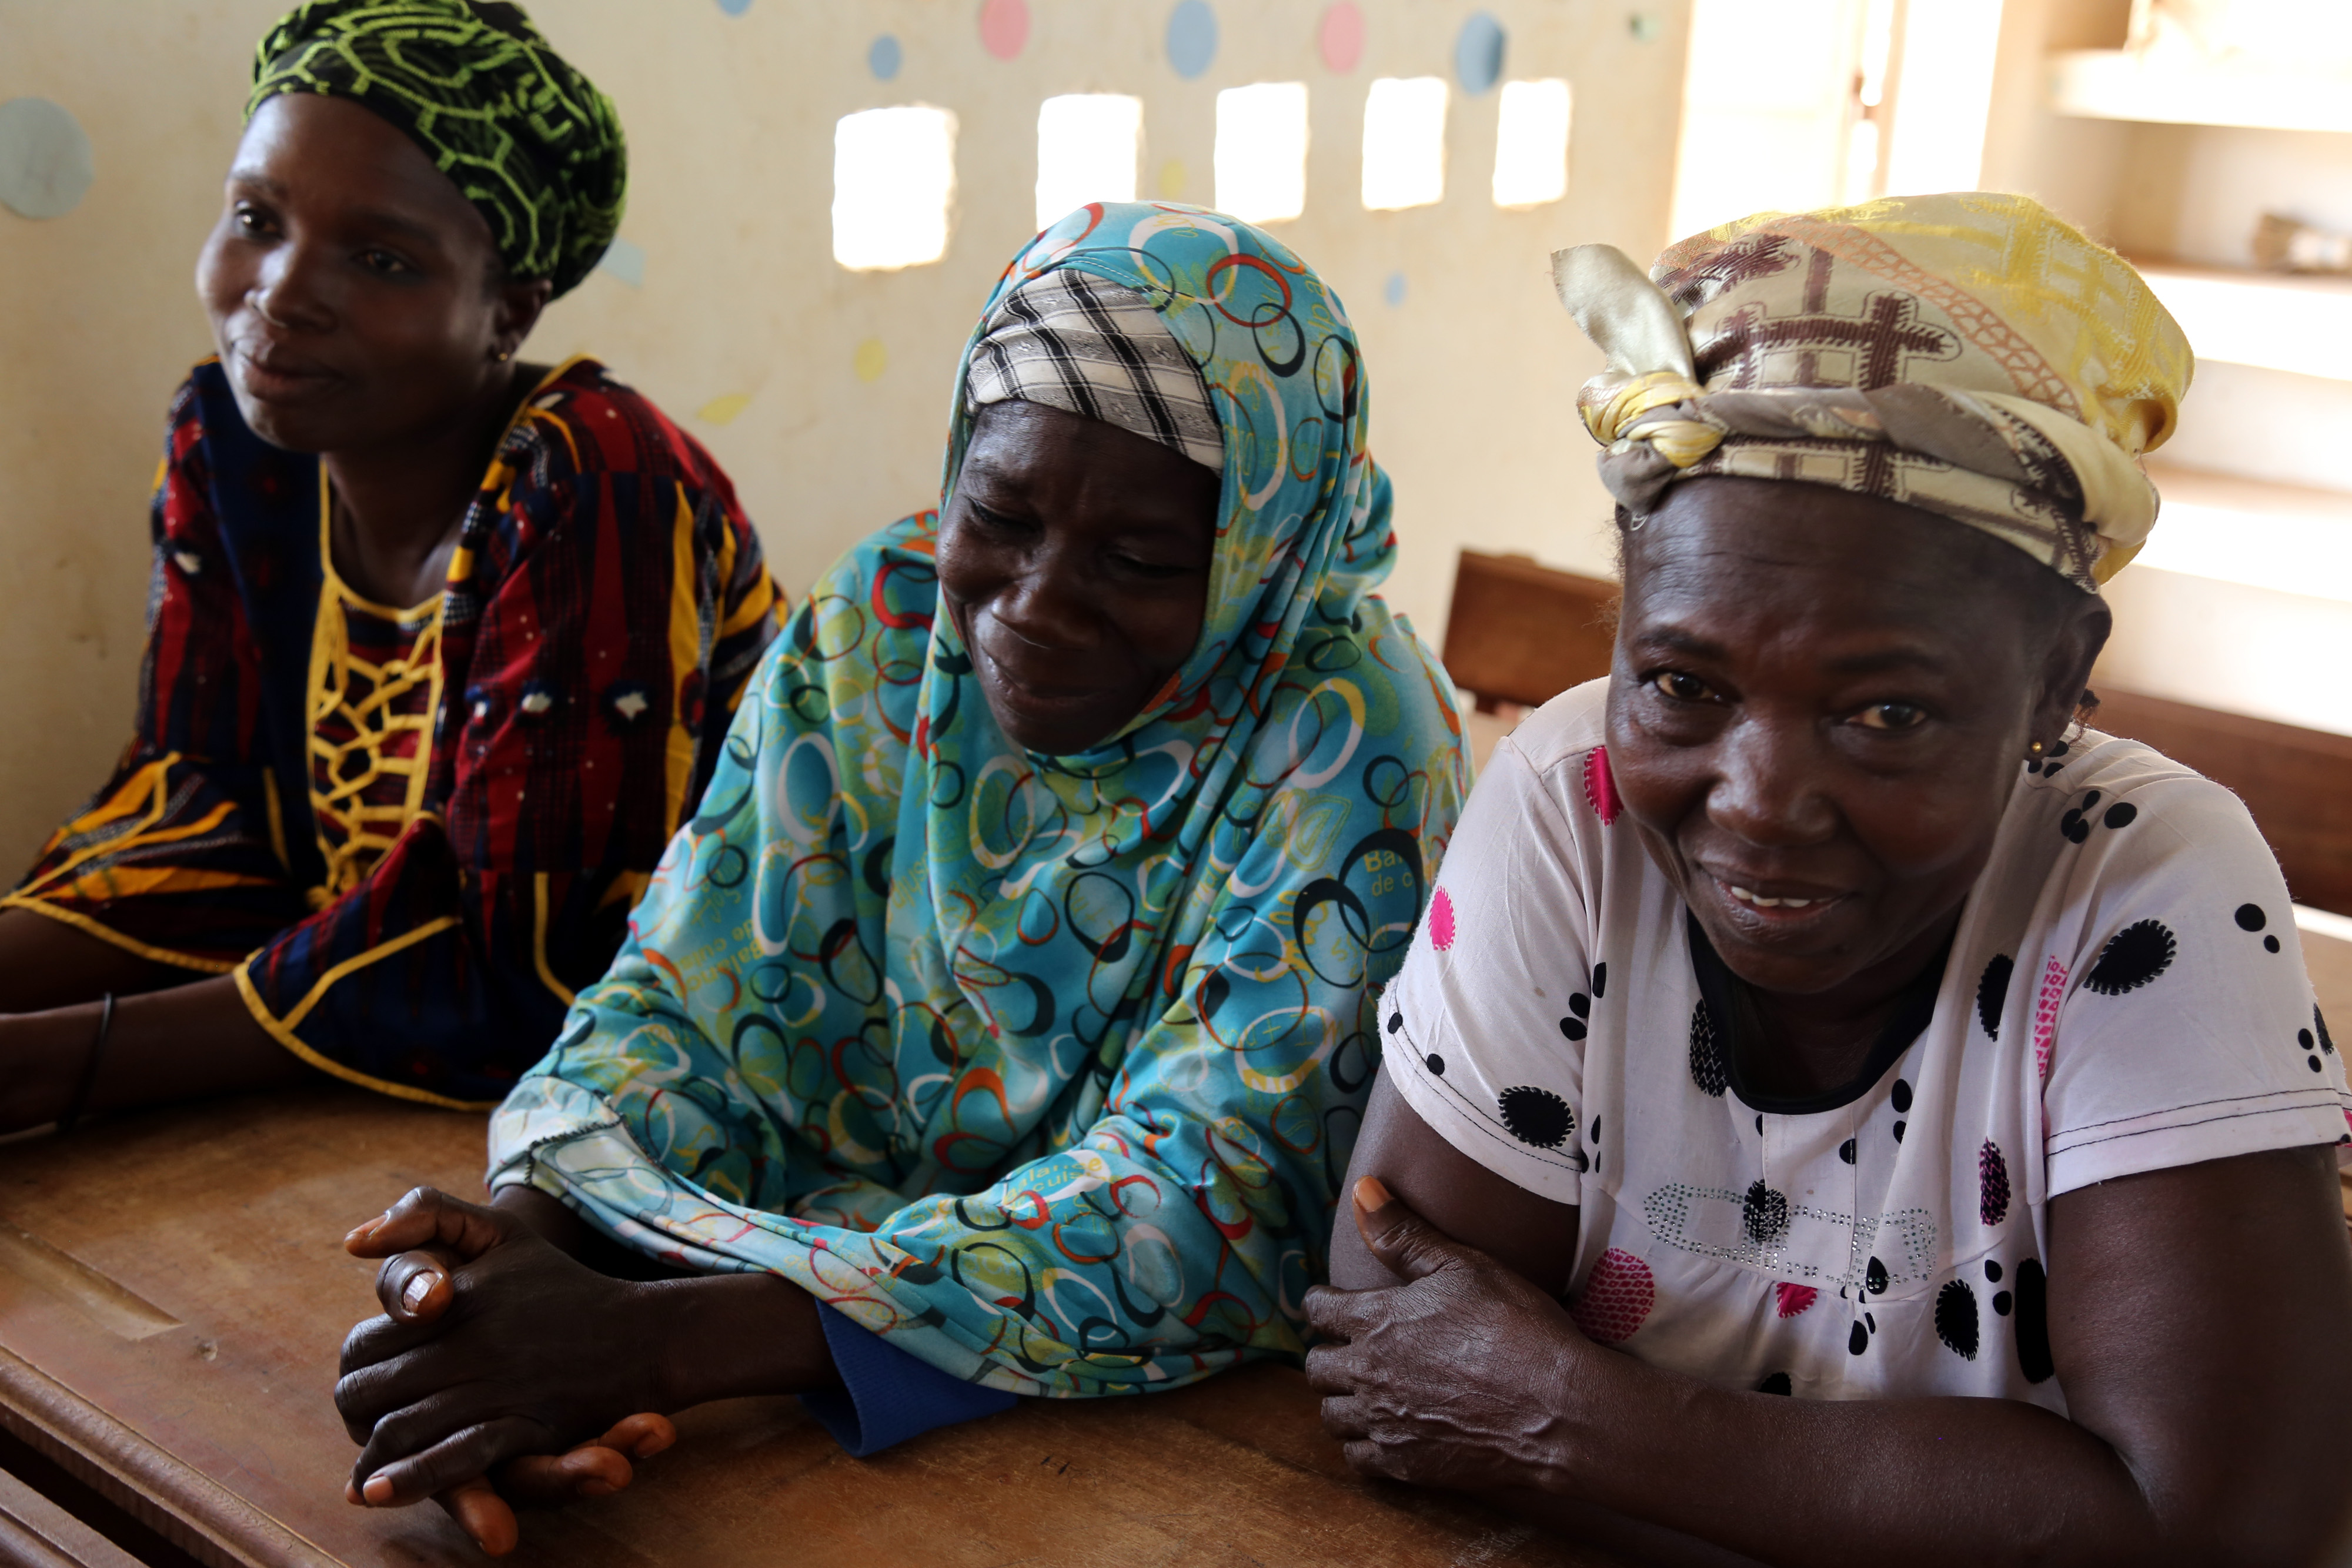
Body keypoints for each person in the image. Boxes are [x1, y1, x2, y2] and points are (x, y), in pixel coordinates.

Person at [330, 202, 1469, 1553]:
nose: (1034, 602)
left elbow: (1204, 1205)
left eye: (1143, 561)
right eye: (997, 510)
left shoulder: (1351, 733)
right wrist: (512, 1275)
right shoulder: (885, 620)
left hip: (1146, 1461)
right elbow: (685, 1002)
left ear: (1263, 554)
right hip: (779, 1352)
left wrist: (652, 1343)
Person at [1302, 192, 2352, 1565]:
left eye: (1884, 714)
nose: (1759, 801)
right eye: (1680, 682)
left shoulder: (2140, 883)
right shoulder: (1575, 797)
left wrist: (1568, 1416)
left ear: (2053, 682)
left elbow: (2209, 1525)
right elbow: (1391, 1349)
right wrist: (1952, 1509)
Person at [0, 0, 780, 1122]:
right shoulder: (232, 439)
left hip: (685, 1060)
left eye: (380, 259)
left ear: (507, 312)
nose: (281, 291)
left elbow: (530, 961)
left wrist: (44, 1064)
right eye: (257, 218)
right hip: (351, 1016)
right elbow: (206, 807)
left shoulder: (599, 478)